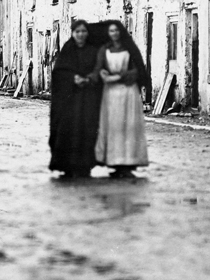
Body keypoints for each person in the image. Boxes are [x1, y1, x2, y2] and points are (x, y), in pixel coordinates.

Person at [49, 20, 106, 178]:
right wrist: (73, 78)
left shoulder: (92, 50)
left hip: (88, 98)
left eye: (83, 31)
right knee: (68, 131)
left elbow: (99, 70)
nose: (81, 34)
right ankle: (66, 166)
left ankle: (85, 165)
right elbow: (58, 73)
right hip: (69, 101)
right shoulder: (68, 50)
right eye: (77, 32)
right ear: (73, 33)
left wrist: (90, 79)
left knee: (87, 131)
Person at [93, 20, 149, 178]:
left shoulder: (130, 49)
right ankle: (115, 162)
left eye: (117, 31)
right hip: (110, 94)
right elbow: (99, 68)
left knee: (129, 127)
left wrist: (121, 76)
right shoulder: (104, 49)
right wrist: (102, 74)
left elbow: (137, 68)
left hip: (128, 91)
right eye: (111, 31)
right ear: (108, 34)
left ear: (121, 32)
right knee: (114, 127)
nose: (114, 34)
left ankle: (129, 163)